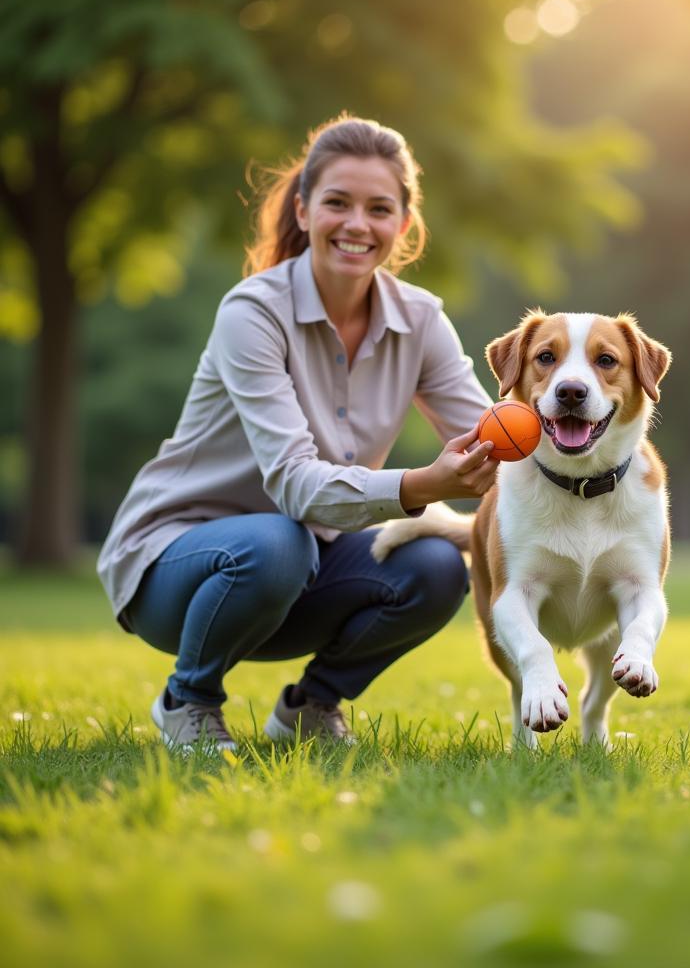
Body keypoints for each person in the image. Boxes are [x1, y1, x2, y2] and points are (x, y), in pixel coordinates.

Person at [97, 114, 498, 751]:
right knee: (277, 542)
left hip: (302, 569)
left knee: (433, 565)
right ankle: (188, 701)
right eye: (338, 203)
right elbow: (292, 485)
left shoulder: (421, 320)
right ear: (304, 210)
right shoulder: (253, 312)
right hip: (175, 569)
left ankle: (311, 707)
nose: (358, 225)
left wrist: (597, 471)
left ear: (403, 224)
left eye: (379, 208)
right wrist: (423, 484)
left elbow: (495, 441)